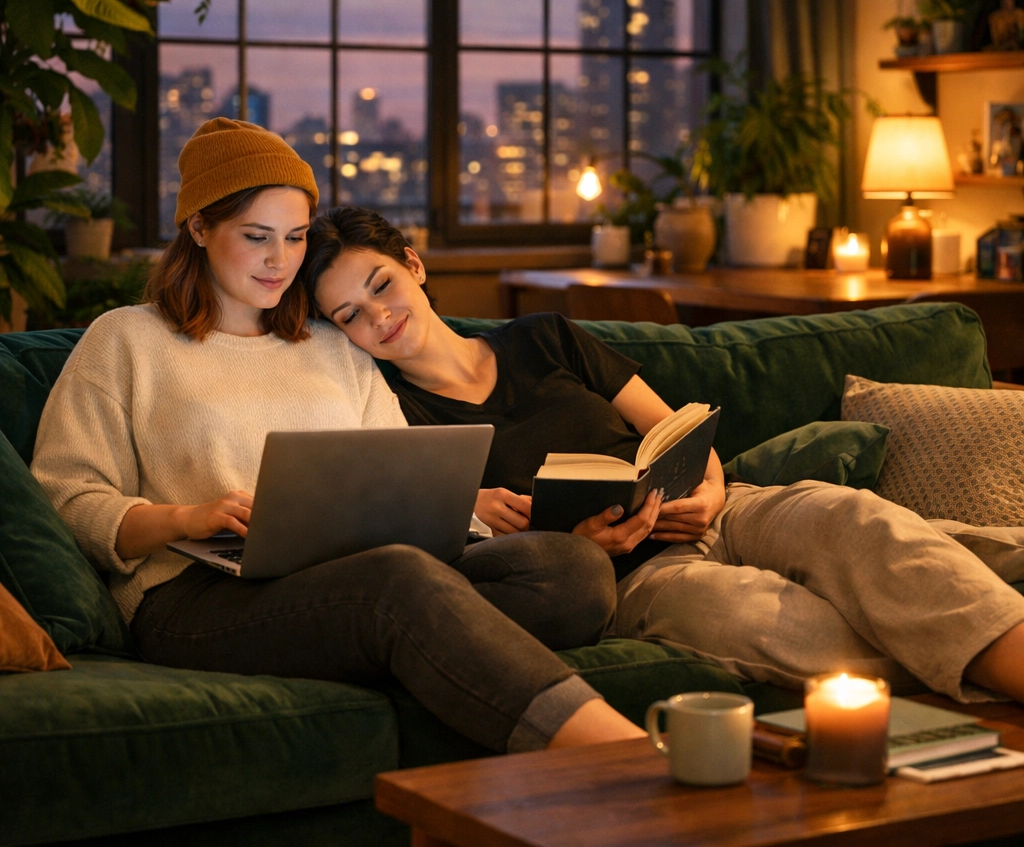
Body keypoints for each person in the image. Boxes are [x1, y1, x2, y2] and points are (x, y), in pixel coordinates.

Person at [30, 118, 647, 755]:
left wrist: (458, 512)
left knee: (569, 570)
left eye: (295, 237)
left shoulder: (332, 346)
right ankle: (618, 754)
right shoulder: (127, 339)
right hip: (197, 598)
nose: (280, 260)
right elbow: (67, 499)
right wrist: (184, 517)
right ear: (199, 229)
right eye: (256, 237)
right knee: (397, 582)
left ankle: (408, 640)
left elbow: (399, 472)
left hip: (347, 575)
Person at [301, 205, 1024, 705]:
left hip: (722, 508)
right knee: (755, 620)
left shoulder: (543, 337)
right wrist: (563, 540)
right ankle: (983, 643)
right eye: (350, 317)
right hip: (637, 576)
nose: (379, 318)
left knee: (853, 519)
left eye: (381, 286)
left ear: (414, 265)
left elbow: (675, 426)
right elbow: (476, 558)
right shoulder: (395, 414)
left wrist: (710, 488)